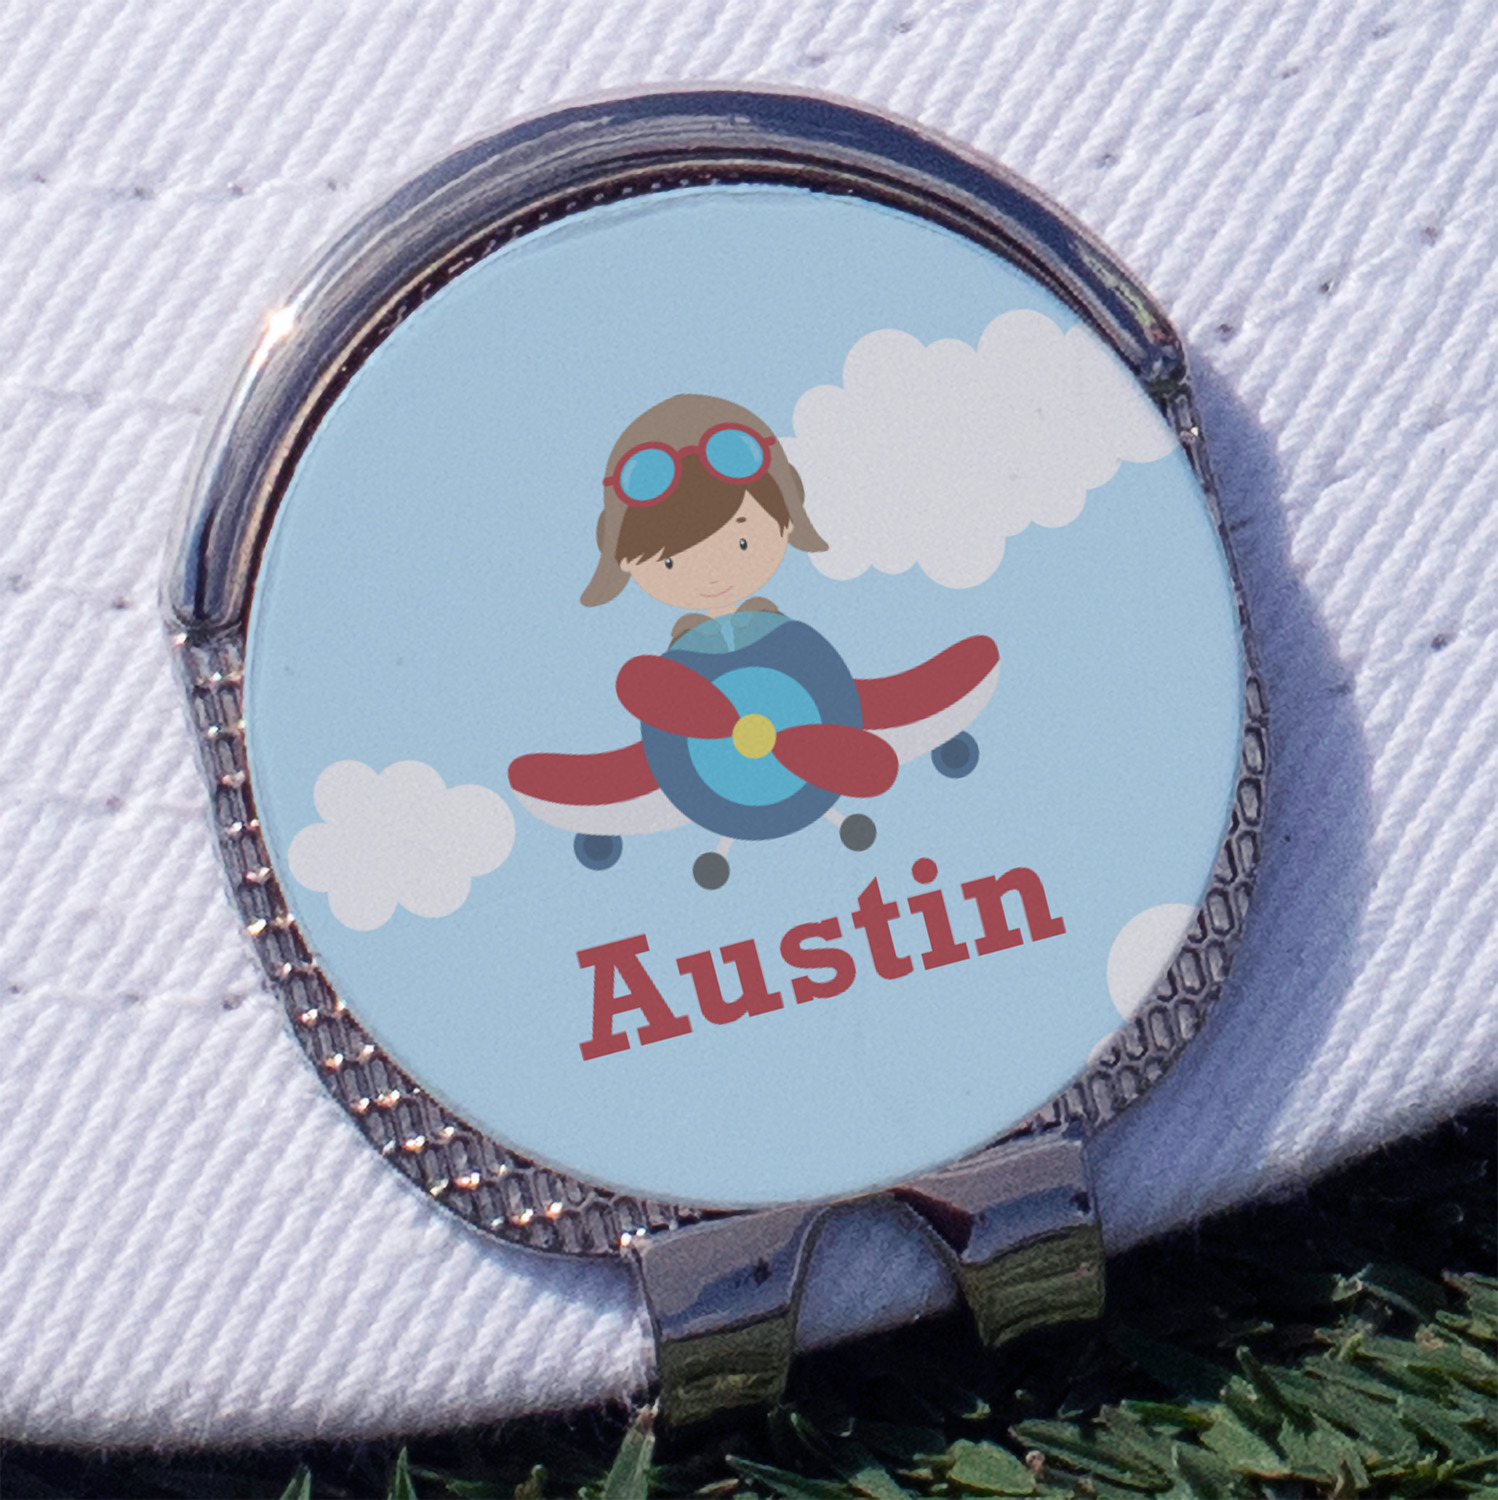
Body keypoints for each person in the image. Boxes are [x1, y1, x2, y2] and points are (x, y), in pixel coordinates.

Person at [581, 393, 828, 651]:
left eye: (742, 543)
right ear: (624, 558)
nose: (713, 575)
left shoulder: (781, 632)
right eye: (670, 562)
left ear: (788, 516)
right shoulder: (689, 649)